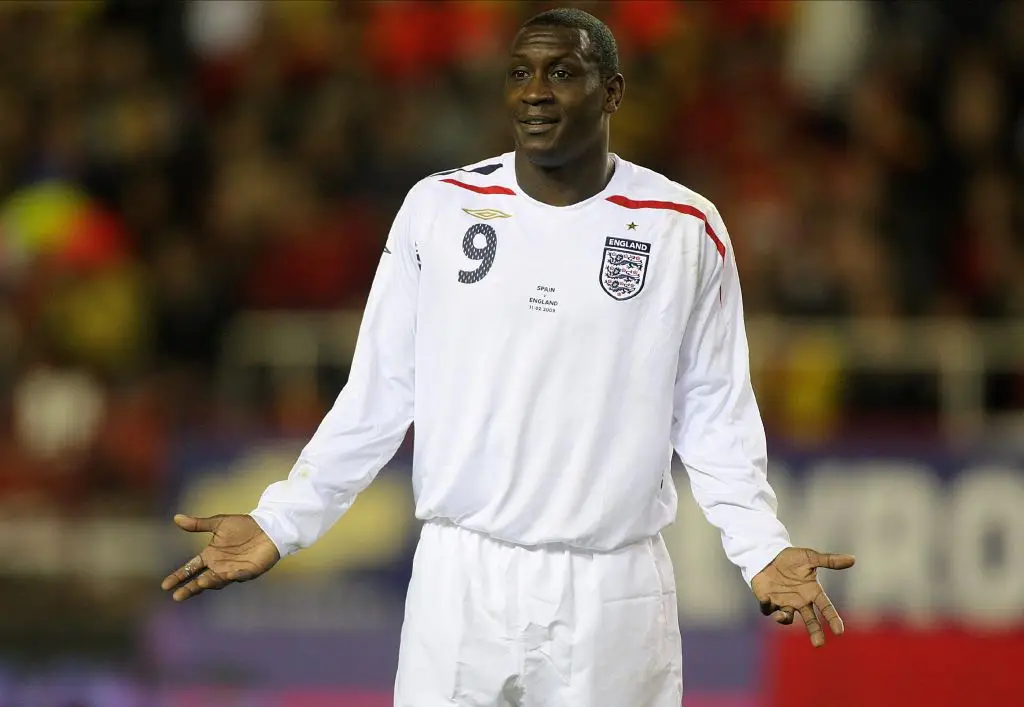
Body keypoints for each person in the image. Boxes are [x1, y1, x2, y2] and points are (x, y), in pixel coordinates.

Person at [162, 8, 855, 706]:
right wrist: (282, 521)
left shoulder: (682, 226)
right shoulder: (438, 208)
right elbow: (379, 395)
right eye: (520, 72)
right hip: (460, 577)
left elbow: (714, 412)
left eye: (563, 72)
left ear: (612, 92)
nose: (535, 91)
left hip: (612, 588)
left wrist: (760, 546)